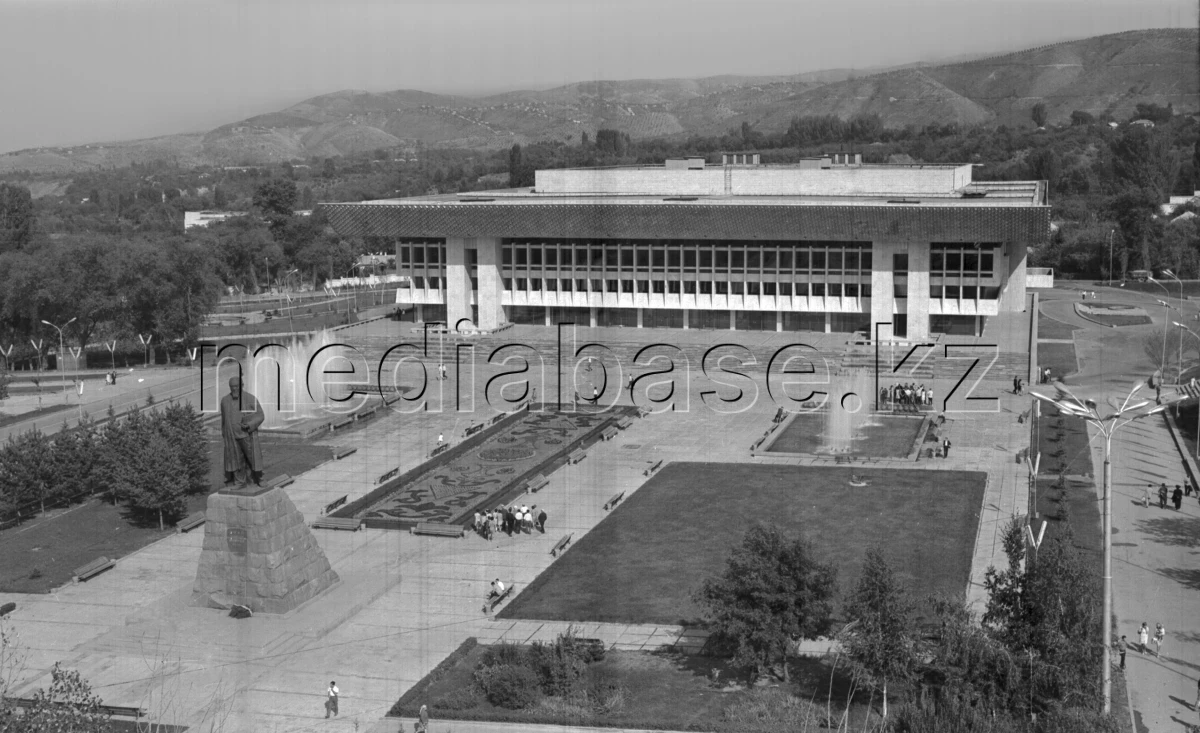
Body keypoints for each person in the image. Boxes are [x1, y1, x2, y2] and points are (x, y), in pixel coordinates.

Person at [220, 376, 265, 487]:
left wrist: (249, 424)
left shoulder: (250, 399)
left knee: (253, 458)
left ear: (241, 386)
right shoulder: (225, 401)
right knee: (236, 459)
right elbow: (223, 419)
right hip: (232, 436)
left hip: (246, 435)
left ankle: (260, 478)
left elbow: (260, 415)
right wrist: (224, 433)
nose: (234, 389)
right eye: (232, 387)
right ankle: (240, 482)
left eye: (236, 386)